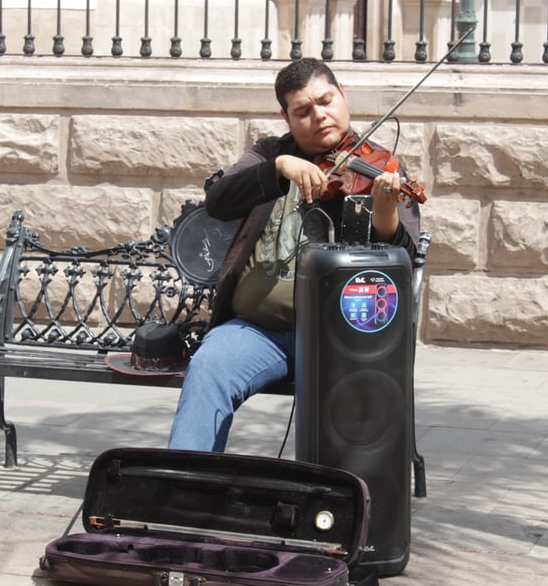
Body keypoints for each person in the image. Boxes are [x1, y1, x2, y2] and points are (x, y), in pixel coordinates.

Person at [167, 58, 421, 452]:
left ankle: (335, 499)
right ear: (285, 116)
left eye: (326, 101)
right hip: (256, 331)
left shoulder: (378, 166)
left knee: (352, 398)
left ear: (343, 96)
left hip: (339, 335)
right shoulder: (269, 153)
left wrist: (384, 208)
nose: (319, 116)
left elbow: (400, 259)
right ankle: (186, 486)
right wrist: (280, 167)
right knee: (210, 366)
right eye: (303, 111)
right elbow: (219, 201)